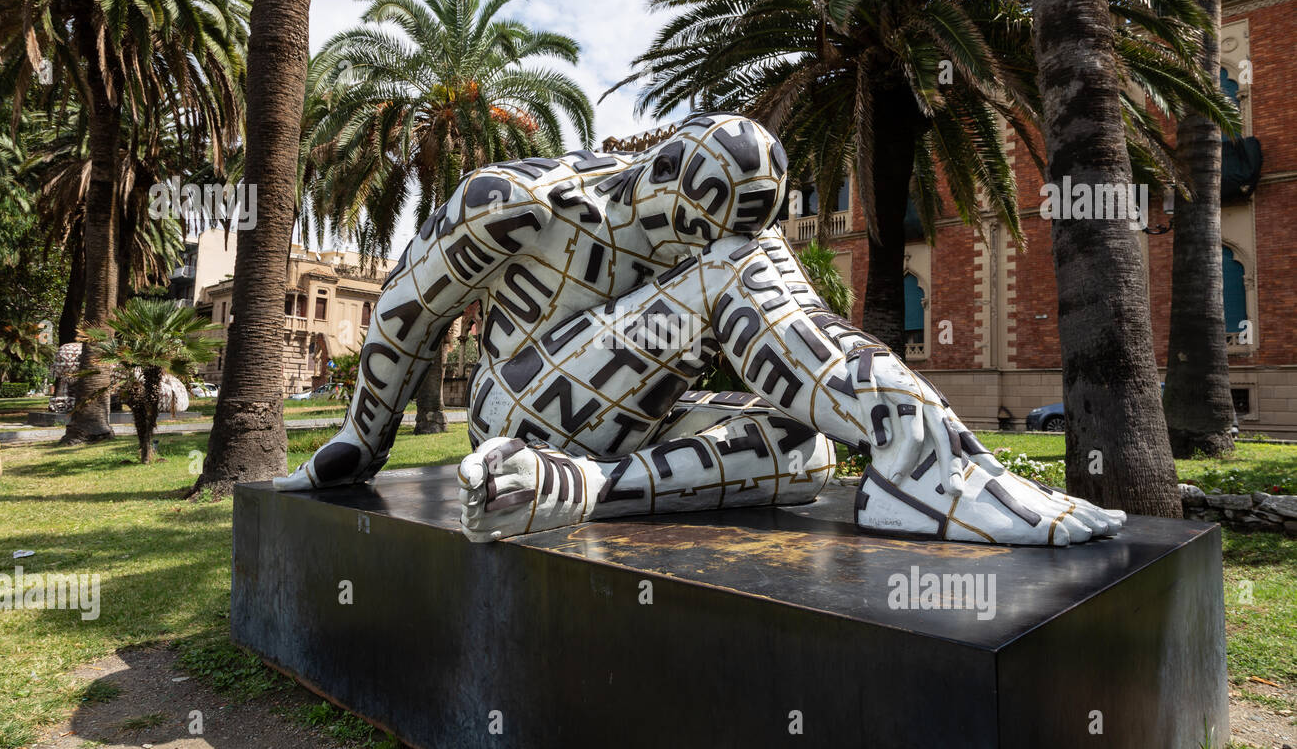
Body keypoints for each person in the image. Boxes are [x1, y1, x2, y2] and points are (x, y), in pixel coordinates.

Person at [275, 113, 1123, 546]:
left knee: (806, 442)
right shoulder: (524, 201)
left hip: (615, 433)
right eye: (698, 218)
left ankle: (585, 490)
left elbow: (775, 328)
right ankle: (924, 462)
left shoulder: (722, 244)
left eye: (732, 227)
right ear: (662, 167)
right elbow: (403, 311)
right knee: (735, 281)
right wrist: (358, 438)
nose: (701, 245)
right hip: (516, 405)